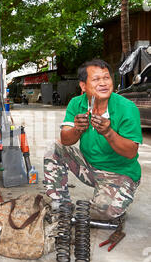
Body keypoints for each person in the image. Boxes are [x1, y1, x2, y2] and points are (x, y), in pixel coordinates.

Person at [44, 58, 142, 221]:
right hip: (89, 167)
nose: (103, 83)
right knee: (55, 147)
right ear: (83, 86)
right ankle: (61, 203)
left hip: (119, 172)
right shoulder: (77, 103)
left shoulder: (127, 108)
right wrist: (77, 129)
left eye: (106, 78)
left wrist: (109, 133)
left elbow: (131, 152)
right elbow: (66, 140)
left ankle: (116, 193)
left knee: (104, 212)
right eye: (96, 79)